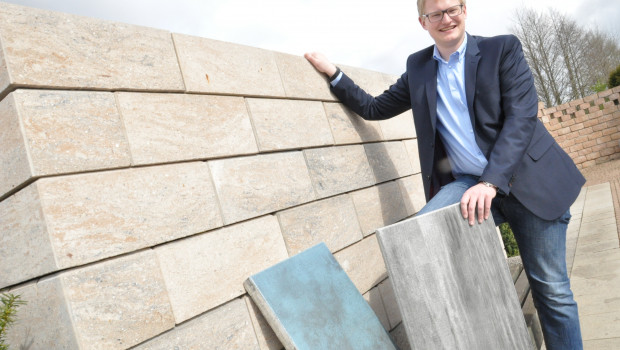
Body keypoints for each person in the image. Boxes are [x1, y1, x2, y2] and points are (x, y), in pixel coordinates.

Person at [305, 0, 585, 349]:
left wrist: (490, 181)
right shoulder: (419, 68)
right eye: (435, 14)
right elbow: (375, 107)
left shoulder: (502, 49)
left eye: (452, 9)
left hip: (527, 180)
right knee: (421, 235)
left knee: (551, 291)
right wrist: (334, 73)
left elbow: (521, 119)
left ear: (465, 10)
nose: (445, 19)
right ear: (423, 22)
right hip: (469, 183)